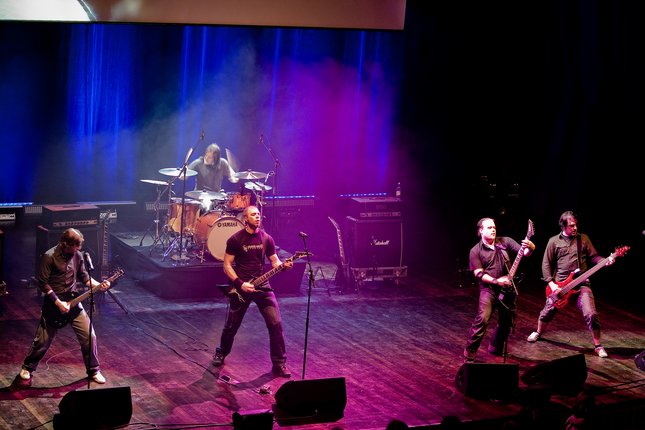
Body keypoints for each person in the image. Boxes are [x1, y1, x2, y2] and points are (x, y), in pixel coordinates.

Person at [18, 228, 110, 383]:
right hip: (54, 303)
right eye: (75, 247)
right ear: (65, 244)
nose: (77, 250)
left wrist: (99, 285)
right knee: (42, 341)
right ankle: (28, 367)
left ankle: (94, 370)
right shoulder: (49, 256)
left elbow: (84, 277)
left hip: (73, 302)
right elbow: (43, 283)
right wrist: (58, 302)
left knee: (90, 336)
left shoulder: (77, 255)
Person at [212, 205, 293, 377]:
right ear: (245, 219)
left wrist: (283, 266)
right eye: (253, 214)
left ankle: (279, 363)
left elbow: (275, 261)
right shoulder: (235, 239)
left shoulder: (267, 239)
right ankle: (221, 352)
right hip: (242, 288)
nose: (257, 217)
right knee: (231, 326)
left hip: (262, 286)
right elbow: (227, 266)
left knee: (276, 324)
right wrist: (240, 283)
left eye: (258, 214)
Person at [526, 211, 614, 358]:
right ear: (563, 226)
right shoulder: (554, 241)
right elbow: (546, 264)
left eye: (576, 225)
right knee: (547, 311)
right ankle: (538, 332)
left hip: (581, 284)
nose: (575, 228)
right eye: (571, 225)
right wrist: (551, 284)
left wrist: (605, 261)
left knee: (591, 313)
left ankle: (598, 346)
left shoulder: (583, 239)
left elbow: (594, 257)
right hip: (560, 286)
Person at [463, 217, 536, 362]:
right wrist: (496, 281)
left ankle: (495, 347)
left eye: (494, 227)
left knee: (507, 322)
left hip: (507, 289)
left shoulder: (505, 242)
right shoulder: (475, 251)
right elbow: (479, 274)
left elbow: (524, 253)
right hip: (488, 289)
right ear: (481, 231)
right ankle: (469, 354)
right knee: (483, 319)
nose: (493, 230)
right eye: (489, 227)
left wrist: (531, 247)